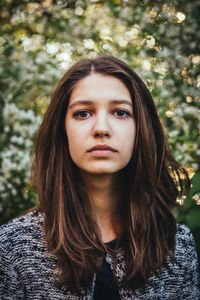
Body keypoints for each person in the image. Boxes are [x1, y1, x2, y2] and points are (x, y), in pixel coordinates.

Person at [0, 55, 199, 300]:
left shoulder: (176, 247)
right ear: (62, 130)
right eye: (83, 113)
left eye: (121, 112)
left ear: (142, 130)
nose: (101, 128)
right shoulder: (11, 248)